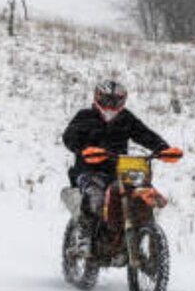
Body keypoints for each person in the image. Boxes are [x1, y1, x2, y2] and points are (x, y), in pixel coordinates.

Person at [61, 80, 177, 235]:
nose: (111, 105)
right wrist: (83, 150)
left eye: (116, 101)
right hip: (88, 171)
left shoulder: (126, 118)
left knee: (140, 196)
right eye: (107, 100)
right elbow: (68, 137)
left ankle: (141, 233)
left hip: (120, 173)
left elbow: (145, 134)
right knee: (96, 200)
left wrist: (163, 149)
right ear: (98, 98)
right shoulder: (85, 116)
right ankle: (83, 240)